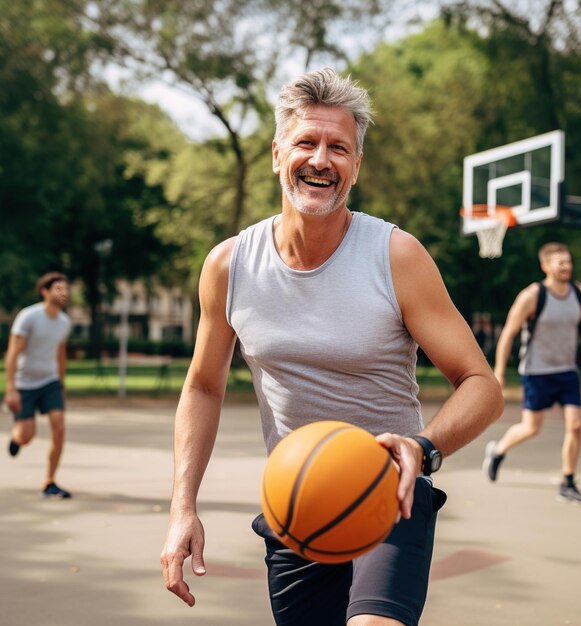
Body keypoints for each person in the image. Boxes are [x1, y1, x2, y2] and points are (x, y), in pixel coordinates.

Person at [160, 68, 503, 625]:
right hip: (298, 504)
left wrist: (424, 448)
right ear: (277, 155)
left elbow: (482, 385)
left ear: (356, 167)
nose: (321, 159)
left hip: (391, 495)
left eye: (338, 147)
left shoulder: (396, 256)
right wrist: (182, 507)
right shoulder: (229, 266)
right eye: (307, 143)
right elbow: (202, 385)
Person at [484, 242, 581, 505]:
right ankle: (498, 450)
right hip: (537, 371)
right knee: (531, 428)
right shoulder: (532, 296)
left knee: (577, 426)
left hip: (567, 370)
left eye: (568, 261)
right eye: (560, 262)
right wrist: (499, 372)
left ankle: (567, 482)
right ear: (545, 266)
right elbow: (508, 334)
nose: (566, 266)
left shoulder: (580, 293)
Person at [3, 272, 72, 499]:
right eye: (59, 289)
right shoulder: (29, 316)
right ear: (45, 291)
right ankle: (16, 438)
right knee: (27, 436)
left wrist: (61, 383)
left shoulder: (64, 322)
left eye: (66, 289)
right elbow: (13, 352)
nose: (64, 293)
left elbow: (60, 354)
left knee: (59, 427)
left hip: (50, 381)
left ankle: (50, 482)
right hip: (25, 383)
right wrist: (10, 388)